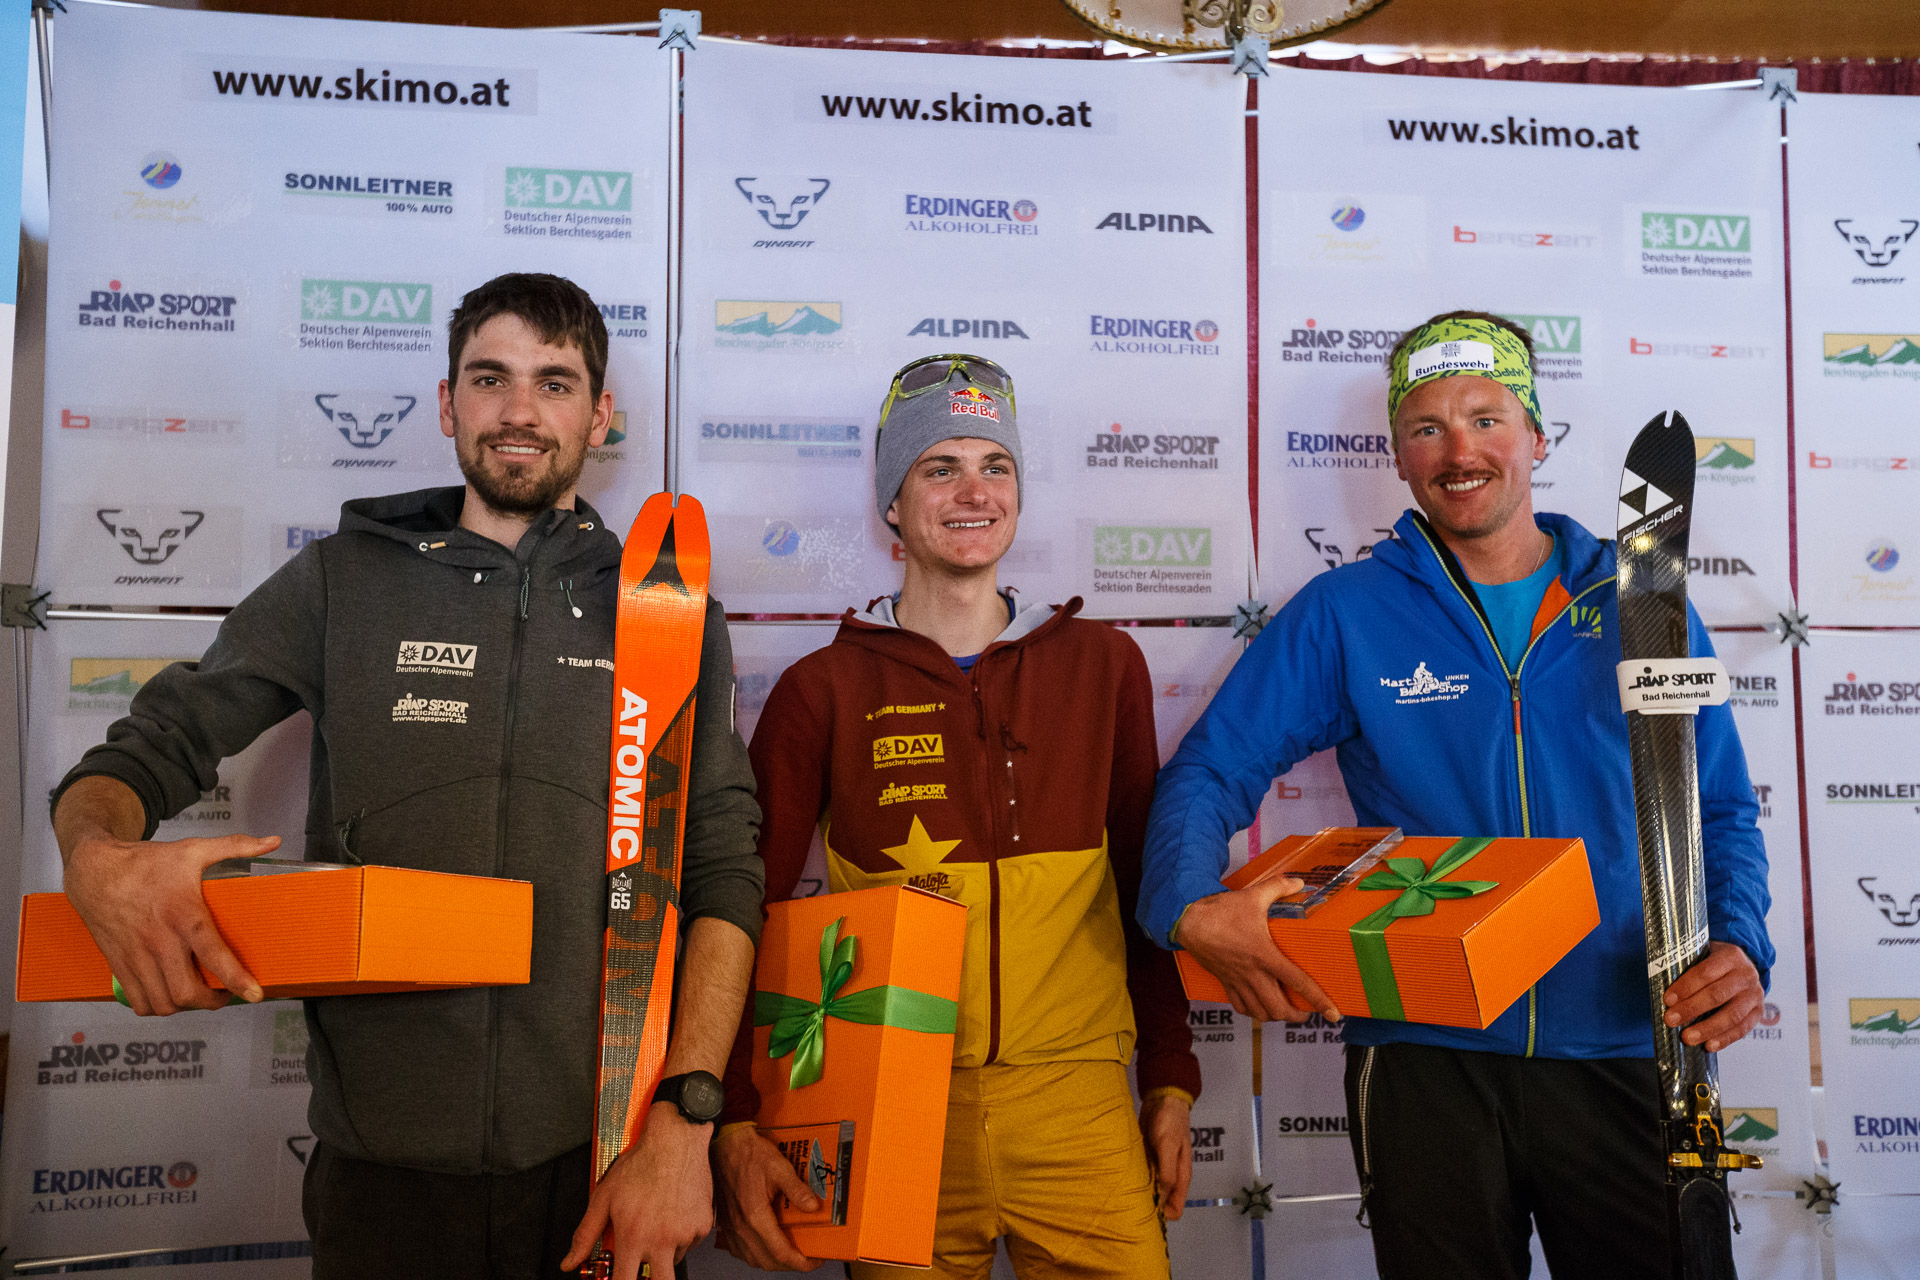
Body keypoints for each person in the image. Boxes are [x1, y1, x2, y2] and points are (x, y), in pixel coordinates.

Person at [51, 273, 764, 1280]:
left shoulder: (668, 607)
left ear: (600, 414)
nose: (520, 411)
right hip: (382, 1184)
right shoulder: (344, 576)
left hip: (606, 1161)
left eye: (555, 382)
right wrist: (99, 854)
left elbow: (724, 870)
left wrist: (687, 1121)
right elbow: (146, 751)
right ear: (446, 401)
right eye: (490, 376)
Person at [1138, 312, 1773, 1279]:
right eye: (1426, 426)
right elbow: (1209, 769)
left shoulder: (1643, 602)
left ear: (1535, 438)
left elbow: (1717, 806)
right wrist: (1187, 906)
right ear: (1397, 456)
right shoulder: (1349, 614)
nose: (1459, 448)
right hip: (1425, 1052)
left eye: (1486, 416)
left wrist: (1738, 940)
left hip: (1626, 1041)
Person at [709, 354, 1200, 1278]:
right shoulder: (823, 689)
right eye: (941, 467)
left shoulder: (1105, 668)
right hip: (895, 1104)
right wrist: (734, 1112)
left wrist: (1171, 1079)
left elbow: (1144, 883)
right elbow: (746, 913)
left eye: (995, 465)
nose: (973, 491)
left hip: (1081, 1105)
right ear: (892, 504)